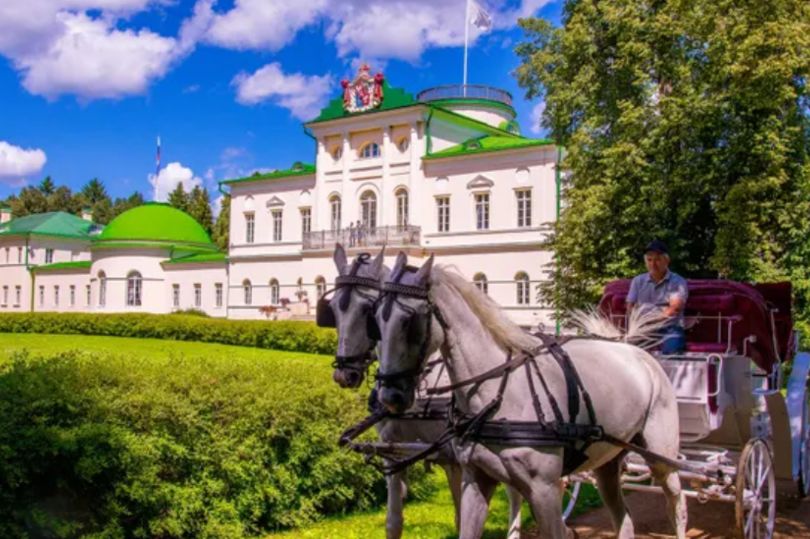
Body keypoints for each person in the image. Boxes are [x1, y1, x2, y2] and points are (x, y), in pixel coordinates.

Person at [626, 240, 688, 354]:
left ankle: (668, 371)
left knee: (672, 351)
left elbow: (674, 309)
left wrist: (651, 319)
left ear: (667, 261)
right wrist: (640, 321)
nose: (653, 264)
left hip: (670, 327)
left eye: (658, 259)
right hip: (643, 328)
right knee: (628, 351)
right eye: (649, 260)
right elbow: (630, 307)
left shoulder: (677, 281)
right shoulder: (638, 281)